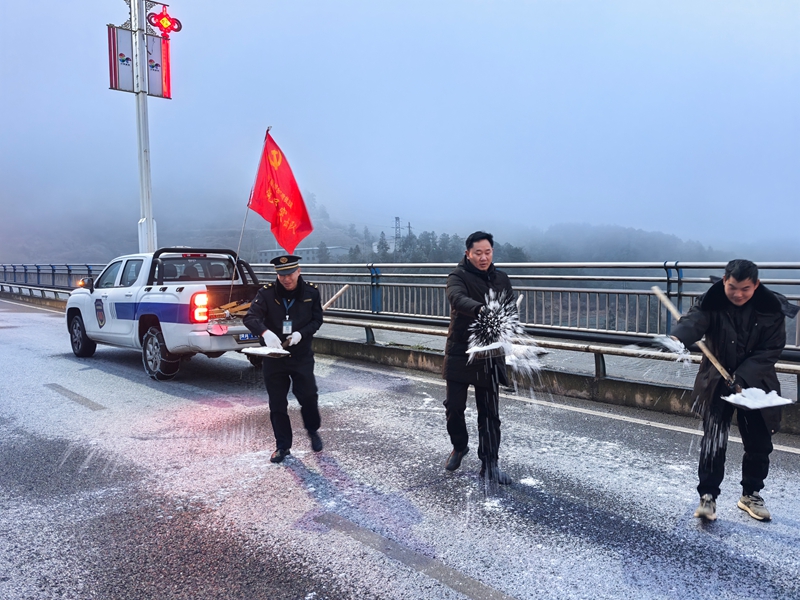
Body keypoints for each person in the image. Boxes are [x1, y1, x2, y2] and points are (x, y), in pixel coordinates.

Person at [671, 259, 798, 521]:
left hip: (757, 383)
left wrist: (741, 377)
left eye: (745, 289)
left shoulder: (771, 308)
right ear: (724, 281)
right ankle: (708, 497)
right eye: (732, 288)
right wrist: (678, 336)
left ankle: (751, 494)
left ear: (756, 285)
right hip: (716, 381)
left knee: (759, 442)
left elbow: (770, 351)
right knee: (714, 441)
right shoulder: (713, 300)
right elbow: (694, 321)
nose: (738, 294)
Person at [442, 231, 514, 484]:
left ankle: (490, 464)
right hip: (461, 350)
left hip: (490, 353)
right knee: (454, 407)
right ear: (468, 254)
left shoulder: (501, 278)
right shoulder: (457, 276)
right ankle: (459, 446)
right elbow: (457, 298)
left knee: (490, 414)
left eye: (488, 252)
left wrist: (509, 326)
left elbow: (510, 310)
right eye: (478, 253)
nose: (484, 258)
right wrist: (481, 310)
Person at [244, 254, 324, 463]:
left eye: (290, 274)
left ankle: (313, 430)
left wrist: (301, 334)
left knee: (308, 396)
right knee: (277, 403)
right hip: (274, 356)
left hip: (301, 355)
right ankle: (282, 446)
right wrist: (265, 333)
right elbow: (250, 318)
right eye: (281, 275)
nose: (286, 279)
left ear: (298, 271)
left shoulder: (311, 293)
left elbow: (317, 320)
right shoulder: (266, 293)